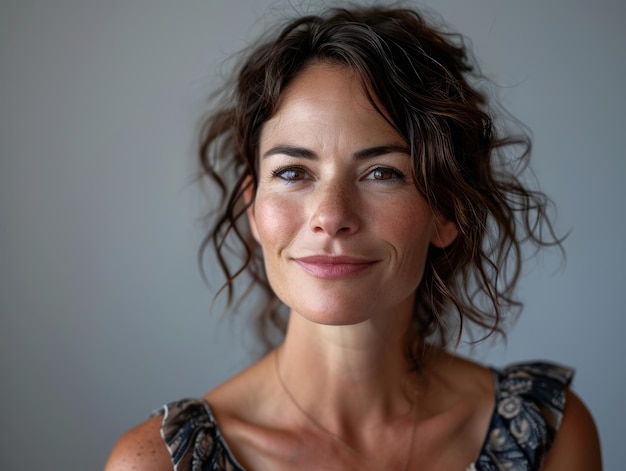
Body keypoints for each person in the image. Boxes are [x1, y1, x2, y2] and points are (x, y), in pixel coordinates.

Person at [105, 5, 601, 470]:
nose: (331, 216)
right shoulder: (157, 462)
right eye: (294, 172)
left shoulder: (547, 435)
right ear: (252, 207)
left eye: (382, 173)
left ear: (447, 210)